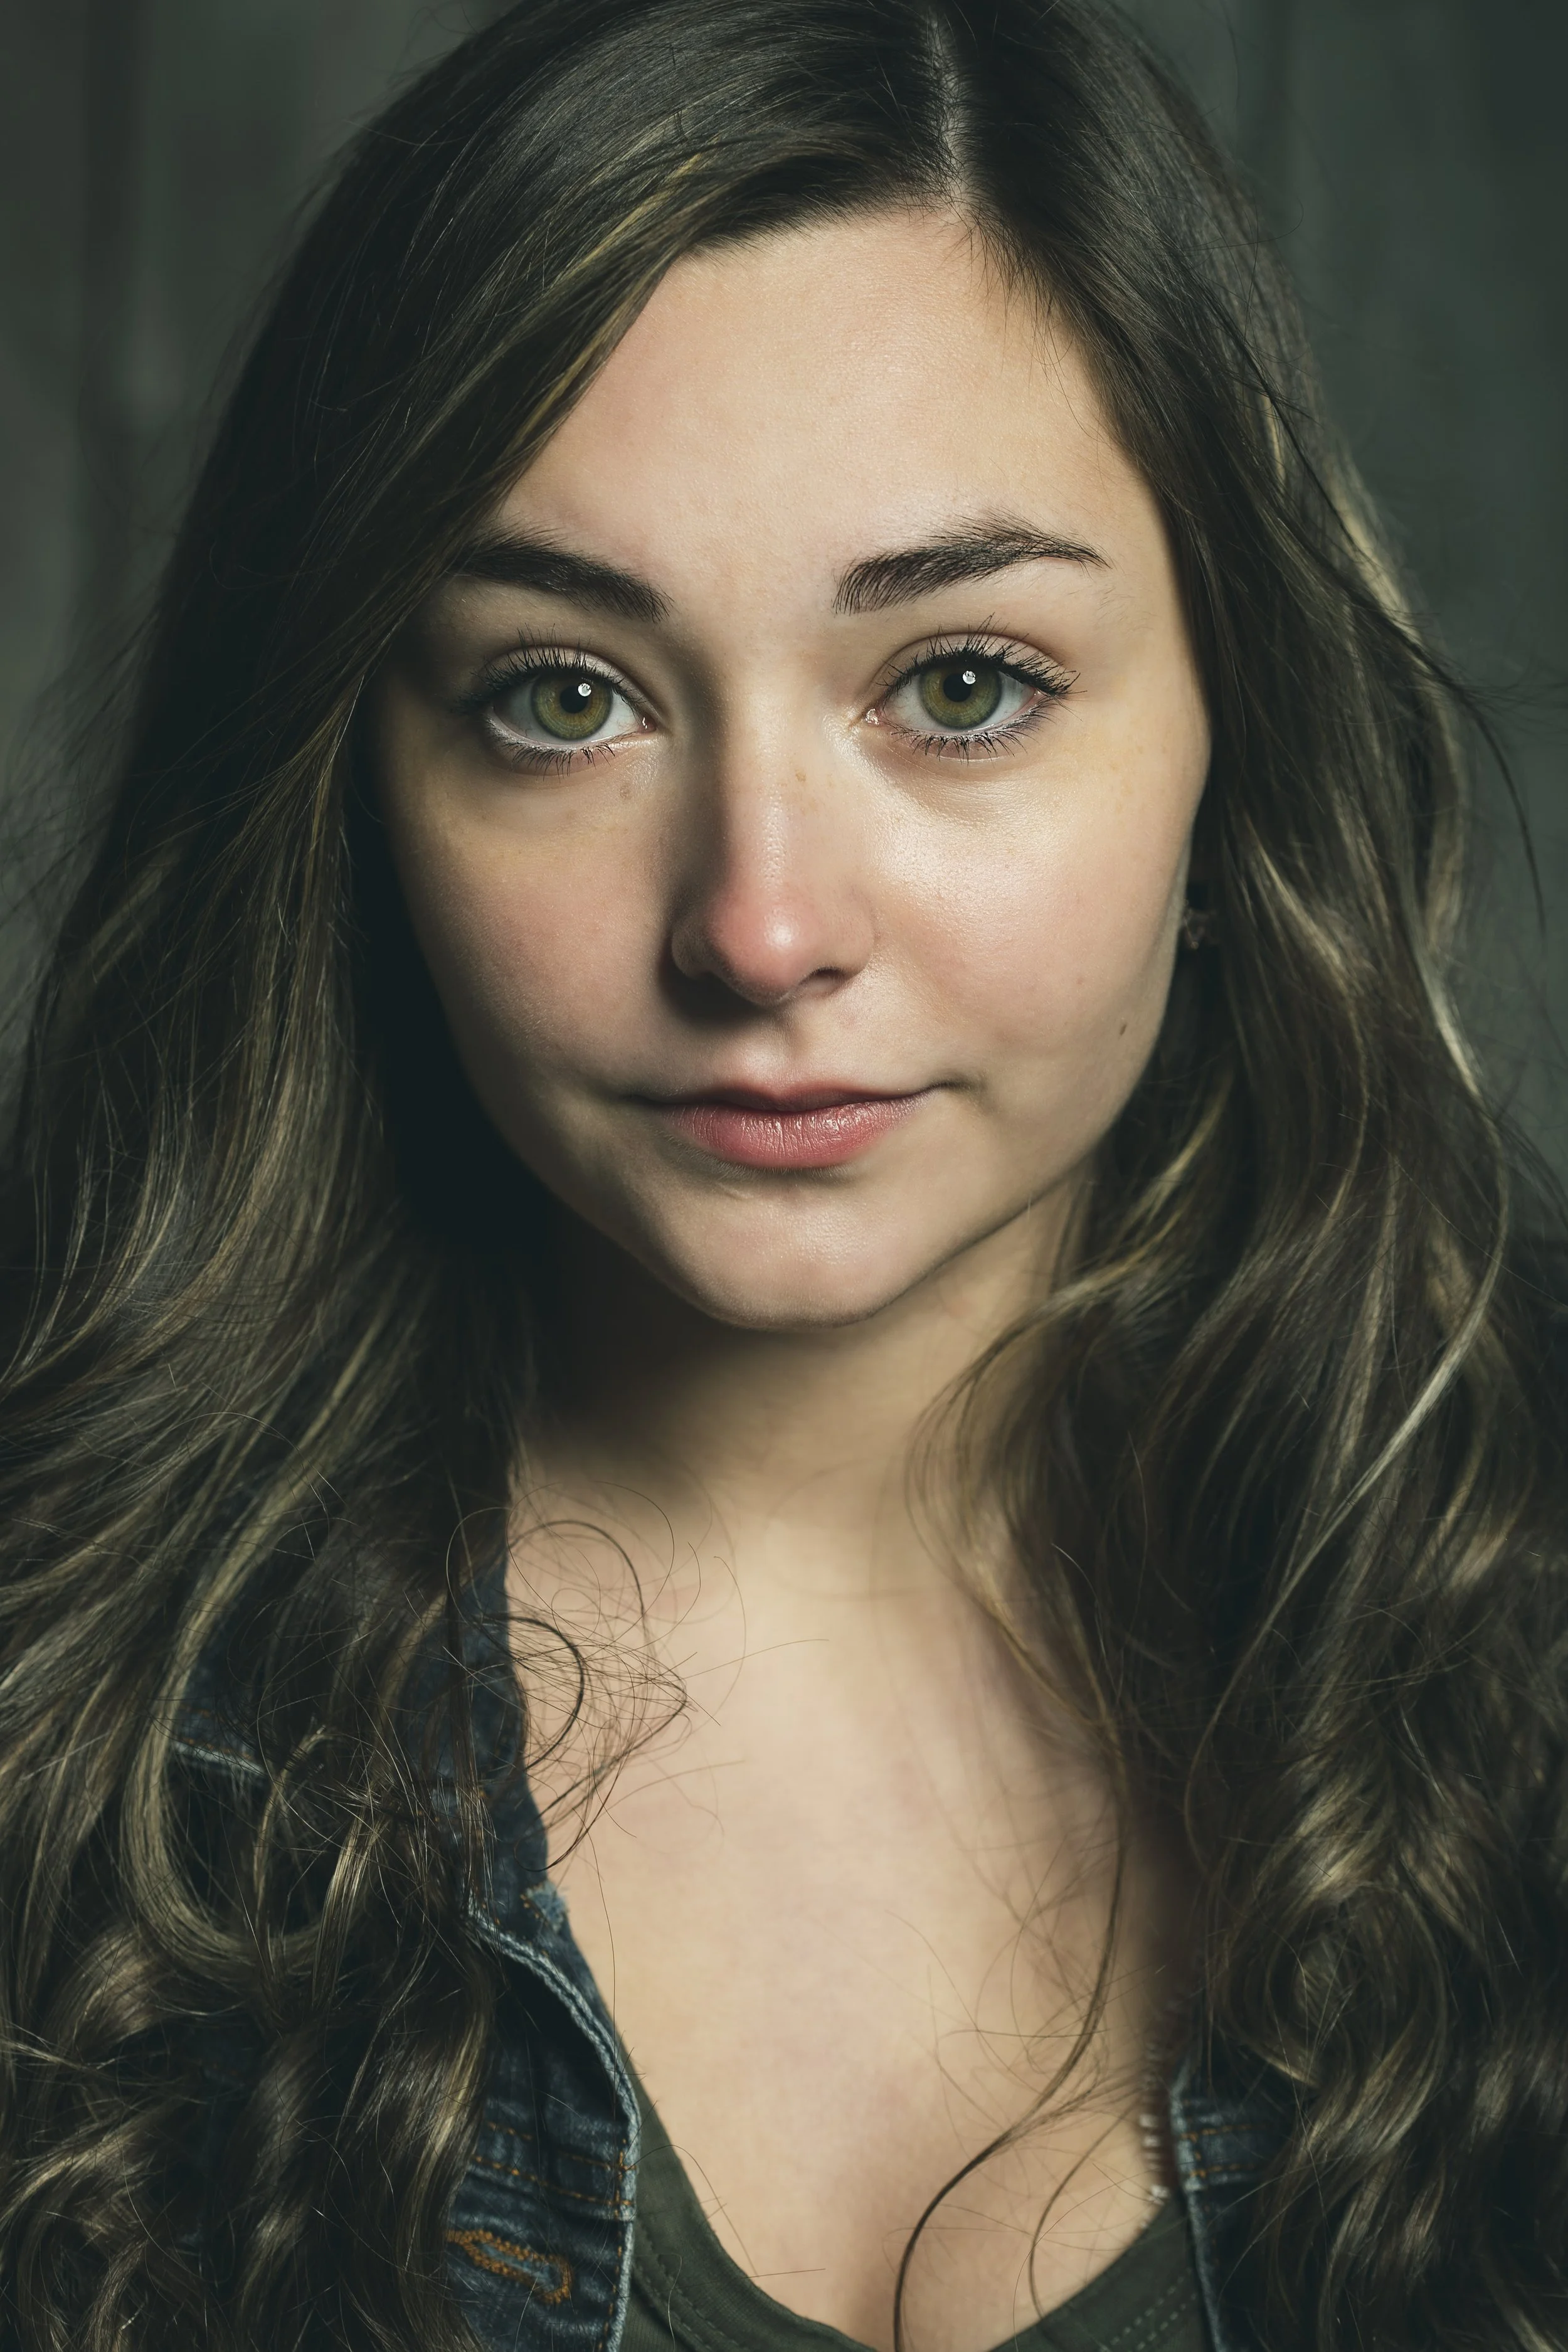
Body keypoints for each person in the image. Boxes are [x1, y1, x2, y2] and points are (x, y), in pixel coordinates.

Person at [1, 3, 1564, 2348]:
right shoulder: (61, 1699)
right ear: (352, 790)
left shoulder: (1520, 1609)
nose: (755, 925)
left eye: (958, 685)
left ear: (1232, 742)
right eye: (561, 694)